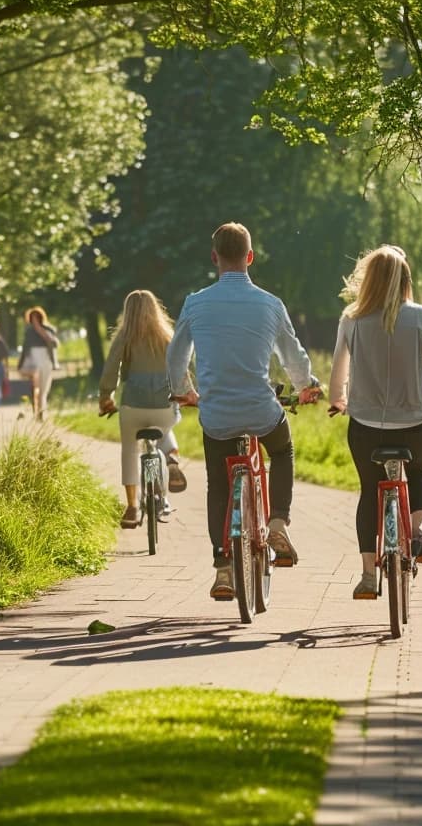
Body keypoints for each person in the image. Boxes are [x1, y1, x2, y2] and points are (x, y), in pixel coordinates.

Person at [166, 222, 324, 599]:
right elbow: (292, 355)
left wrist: (184, 391)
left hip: (216, 416)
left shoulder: (195, 302)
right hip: (260, 410)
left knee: (217, 484)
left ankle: (223, 568)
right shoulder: (270, 304)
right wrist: (306, 387)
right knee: (282, 451)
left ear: (214, 257)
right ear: (250, 257)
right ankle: (279, 521)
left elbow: (176, 356)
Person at [327, 245, 422, 599]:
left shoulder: (351, 319)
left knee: (369, 492)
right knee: (418, 473)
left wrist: (337, 400)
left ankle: (368, 576)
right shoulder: (419, 316)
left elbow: (338, 369)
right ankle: (416, 531)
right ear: (405, 281)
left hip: (366, 427)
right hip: (416, 425)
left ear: (368, 280)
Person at [98, 290, 190, 528]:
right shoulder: (168, 337)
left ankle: (131, 507)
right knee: (166, 425)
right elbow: (180, 369)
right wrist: (186, 393)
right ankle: (170, 457)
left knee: (129, 450)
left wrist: (106, 397)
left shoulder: (124, 337)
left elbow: (111, 370)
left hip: (133, 406)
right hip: (163, 405)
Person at [17, 306, 59, 421]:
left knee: (43, 389)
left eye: (37, 317)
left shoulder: (49, 329)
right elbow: (25, 349)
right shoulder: (29, 332)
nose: (34, 320)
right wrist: (20, 364)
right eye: (32, 318)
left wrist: (41, 331)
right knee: (35, 388)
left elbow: (54, 344)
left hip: (46, 361)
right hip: (33, 361)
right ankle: (36, 411)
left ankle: (41, 413)